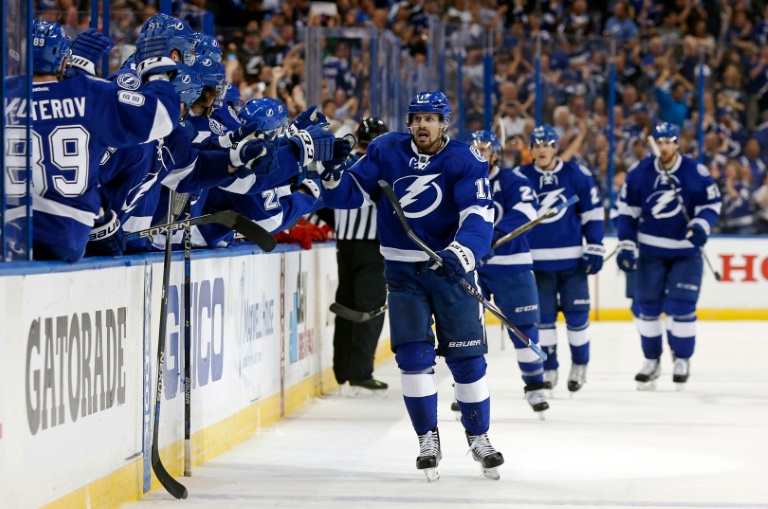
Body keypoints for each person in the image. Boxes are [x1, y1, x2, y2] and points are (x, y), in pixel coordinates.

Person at [319, 91, 504, 481]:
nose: (422, 125)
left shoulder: (465, 159)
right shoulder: (386, 150)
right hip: (402, 275)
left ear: (444, 123)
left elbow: (478, 214)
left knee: (468, 360)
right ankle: (427, 437)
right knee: (414, 358)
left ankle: (479, 436)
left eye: (430, 118)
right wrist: (332, 171)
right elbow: (351, 192)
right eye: (416, 117)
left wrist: (463, 254)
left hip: (450, 271)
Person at [16, 21, 180, 262]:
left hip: (11, 231)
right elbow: (163, 117)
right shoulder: (91, 93)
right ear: (62, 62)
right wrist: (156, 69)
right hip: (66, 234)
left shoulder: (7, 93)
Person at [616, 122, 722, 389]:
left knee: (682, 306)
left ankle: (682, 359)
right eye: (660, 141)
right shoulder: (640, 172)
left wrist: (701, 225)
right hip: (650, 251)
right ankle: (651, 361)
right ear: (654, 142)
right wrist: (626, 244)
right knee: (647, 308)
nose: (664, 146)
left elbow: (711, 204)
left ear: (677, 143)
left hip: (686, 252)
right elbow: (627, 212)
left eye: (669, 141)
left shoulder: (695, 171)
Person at [516, 125, 605, 393]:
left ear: (556, 147)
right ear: (529, 149)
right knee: (542, 322)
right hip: (535, 266)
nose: (542, 149)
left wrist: (595, 246)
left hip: (573, 264)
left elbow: (592, 212)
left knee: (577, 319)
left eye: (547, 144)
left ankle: (580, 365)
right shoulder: (519, 178)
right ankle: (550, 366)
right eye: (537, 145)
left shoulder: (576, 174)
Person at [468, 130, 549, 418]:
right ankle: (468, 391)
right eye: (473, 149)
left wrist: (496, 234)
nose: (478, 155)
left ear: (496, 154)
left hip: (512, 265)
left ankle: (535, 385)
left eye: (484, 150)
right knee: (466, 331)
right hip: (470, 266)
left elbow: (527, 209)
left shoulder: (514, 181)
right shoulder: (458, 181)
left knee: (524, 327)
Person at [332, 117, 390, 392]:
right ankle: (360, 372)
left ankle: (341, 369)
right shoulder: (383, 164)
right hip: (372, 246)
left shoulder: (343, 161)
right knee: (370, 309)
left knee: (345, 304)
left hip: (344, 245)